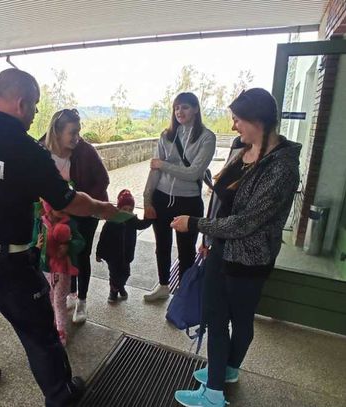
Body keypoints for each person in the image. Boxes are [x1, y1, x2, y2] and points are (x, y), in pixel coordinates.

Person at [0, 68, 118, 407]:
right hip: (4, 261)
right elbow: (67, 200)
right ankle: (60, 393)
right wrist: (104, 209)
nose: (34, 116)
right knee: (39, 330)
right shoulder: (26, 149)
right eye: (34, 107)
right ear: (21, 103)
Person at [171, 88, 301, 407]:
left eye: (238, 120)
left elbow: (245, 223)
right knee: (226, 317)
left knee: (227, 319)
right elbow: (220, 199)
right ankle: (226, 371)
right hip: (221, 248)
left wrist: (196, 224)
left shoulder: (281, 167)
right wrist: (209, 240)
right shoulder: (241, 147)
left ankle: (213, 394)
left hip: (248, 259)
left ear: (258, 121)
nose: (234, 127)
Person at [143, 92, 216, 302]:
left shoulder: (206, 137)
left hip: (189, 201)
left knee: (186, 251)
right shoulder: (166, 135)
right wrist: (147, 200)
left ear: (195, 109)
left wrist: (163, 164)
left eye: (184, 107)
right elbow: (154, 170)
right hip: (162, 198)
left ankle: (183, 295)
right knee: (162, 246)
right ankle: (164, 285)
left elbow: (194, 172)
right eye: (176, 108)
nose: (179, 112)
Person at [41, 108, 109, 323]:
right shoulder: (40, 152)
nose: (77, 137)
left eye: (78, 132)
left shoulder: (85, 151)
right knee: (59, 256)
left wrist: (87, 204)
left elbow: (103, 180)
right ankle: (67, 294)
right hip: (53, 217)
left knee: (82, 254)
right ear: (57, 132)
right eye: (72, 132)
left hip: (84, 213)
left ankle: (82, 301)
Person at [40, 200, 85, 346]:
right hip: (45, 268)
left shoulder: (69, 223)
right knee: (49, 298)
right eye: (61, 208)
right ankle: (53, 322)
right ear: (49, 208)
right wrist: (37, 244)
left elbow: (80, 241)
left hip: (63, 269)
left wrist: (69, 246)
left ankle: (60, 330)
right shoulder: (41, 222)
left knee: (59, 300)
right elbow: (33, 238)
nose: (65, 211)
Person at [96, 189, 152, 303]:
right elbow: (103, 238)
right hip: (112, 255)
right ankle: (113, 291)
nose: (127, 212)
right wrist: (99, 253)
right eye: (124, 209)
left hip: (126, 254)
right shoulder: (112, 221)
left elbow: (142, 225)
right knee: (114, 273)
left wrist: (149, 218)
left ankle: (120, 286)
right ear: (118, 208)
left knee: (126, 273)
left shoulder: (132, 220)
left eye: (130, 210)